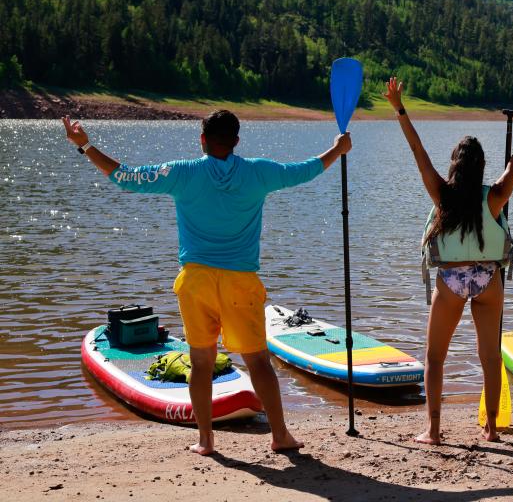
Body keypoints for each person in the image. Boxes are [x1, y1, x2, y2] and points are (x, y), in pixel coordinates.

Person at [62, 110, 351, 455]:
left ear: (202, 140)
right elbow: (307, 170)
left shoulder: (184, 172)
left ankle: (206, 441)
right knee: (258, 361)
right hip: (240, 282)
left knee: (200, 362)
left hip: (196, 281)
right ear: (237, 141)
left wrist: (86, 146)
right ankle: (280, 436)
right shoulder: (259, 172)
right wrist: (338, 148)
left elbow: (126, 176)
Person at [386, 77, 513, 444]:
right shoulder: (494, 197)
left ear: (455, 165)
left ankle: (432, 430)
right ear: (480, 167)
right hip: (488, 279)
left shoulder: (442, 195)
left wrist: (399, 108)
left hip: (451, 282)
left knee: (434, 358)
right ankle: (492, 429)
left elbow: (418, 153)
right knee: (490, 358)